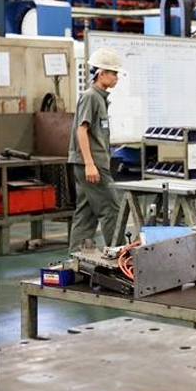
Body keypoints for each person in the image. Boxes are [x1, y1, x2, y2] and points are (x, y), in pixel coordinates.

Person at [67, 48, 122, 252]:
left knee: (86, 213)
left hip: (92, 163)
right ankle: (119, 257)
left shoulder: (100, 97)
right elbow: (81, 130)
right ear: (101, 73)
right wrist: (90, 164)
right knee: (111, 210)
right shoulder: (91, 96)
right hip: (92, 165)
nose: (116, 78)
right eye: (113, 73)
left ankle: (75, 258)